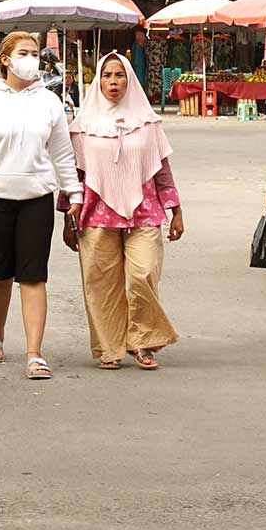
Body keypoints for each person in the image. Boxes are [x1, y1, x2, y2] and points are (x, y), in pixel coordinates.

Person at [0, 30, 81, 377]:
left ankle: (35, 353)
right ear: (4, 60)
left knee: (34, 276)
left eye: (36, 53)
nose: (32, 59)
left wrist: (74, 194)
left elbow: (63, 154)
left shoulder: (49, 102)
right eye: (24, 52)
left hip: (37, 199)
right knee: (0, 273)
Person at [66, 53, 182, 370]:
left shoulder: (148, 123)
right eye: (107, 76)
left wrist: (176, 210)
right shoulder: (82, 126)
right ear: (98, 81)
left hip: (144, 212)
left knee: (144, 275)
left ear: (129, 79)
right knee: (100, 282)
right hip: (95, 215)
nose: (113, 81)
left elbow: (162, 170)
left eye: (119, 75)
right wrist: (66, 215)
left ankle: (143, 341)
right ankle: (110, 347)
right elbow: (72, 174)